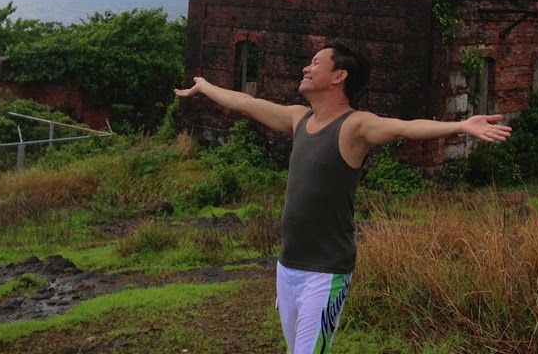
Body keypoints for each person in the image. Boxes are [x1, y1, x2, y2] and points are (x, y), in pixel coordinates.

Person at [174, 39, 511, 354]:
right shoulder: (298, 118)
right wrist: (205, 87)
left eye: (315, 63)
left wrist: (461, 126)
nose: (306, 68)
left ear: (338, 76)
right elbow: (247, 103)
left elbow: (406, 127)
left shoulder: (356, 125)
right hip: (287, 267)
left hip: (326, 273)